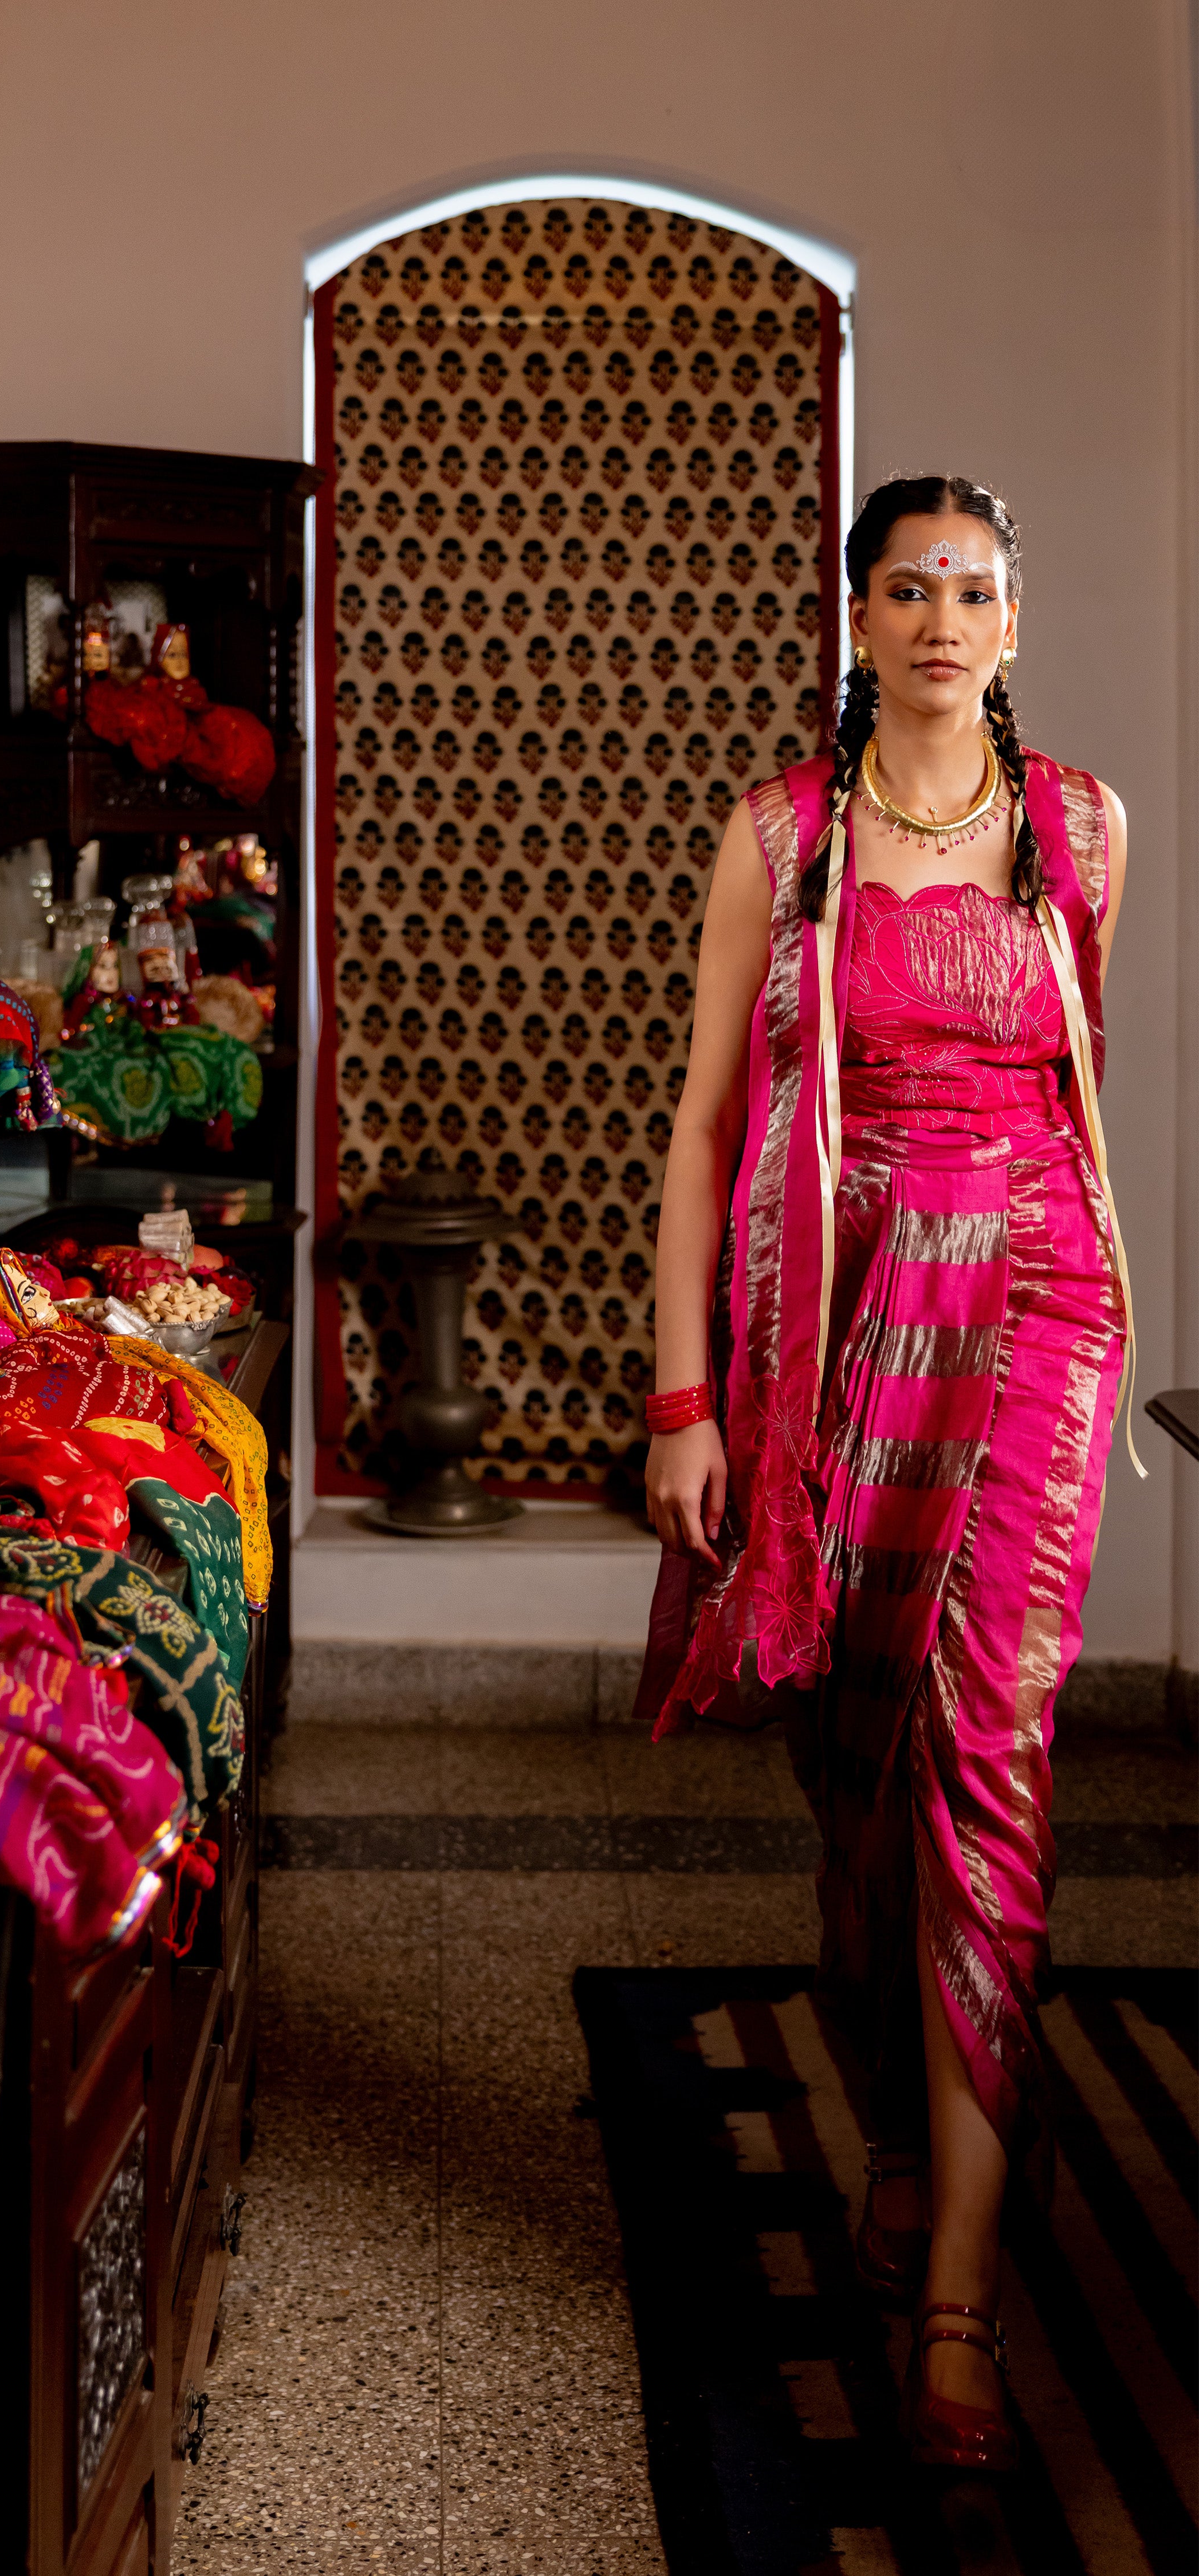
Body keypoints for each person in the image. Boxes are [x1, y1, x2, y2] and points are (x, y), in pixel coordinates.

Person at [636, 475, 1135, 2475]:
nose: (942, 615)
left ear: (1017, 621)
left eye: (975, 587)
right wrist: (686, 1403)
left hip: (1039, 1308)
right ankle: (906, 2133)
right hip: (834, 1325)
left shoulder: (1087, 828)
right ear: (856, 619)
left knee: (990, 1742)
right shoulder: (780, 837)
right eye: (908, 584)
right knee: (856, 1757)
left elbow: (1077, 1091)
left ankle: (960, 2292)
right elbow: (704, 1125)